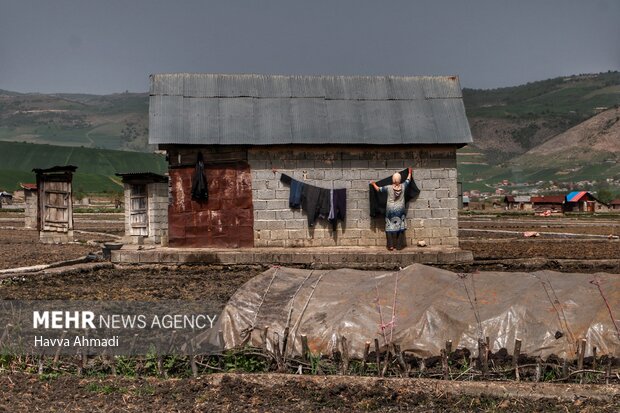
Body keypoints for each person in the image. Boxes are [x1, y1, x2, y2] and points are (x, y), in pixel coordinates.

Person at [370, 167, 413, 251]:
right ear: (400, 179)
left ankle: (390, 246)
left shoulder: (388, 187)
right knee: (400, 226)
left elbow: (378, 189)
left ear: (393, 179)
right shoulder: (403, 186)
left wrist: (373, 183)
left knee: (389, 226)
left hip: (390, 209)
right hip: (400, 209)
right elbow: (408, 180)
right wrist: (410, 172)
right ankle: (399, 246)